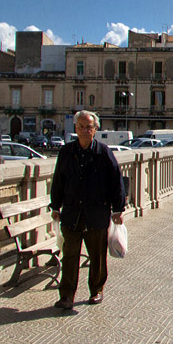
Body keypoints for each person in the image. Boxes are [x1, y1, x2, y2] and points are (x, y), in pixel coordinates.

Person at [50, 110, 125, 310]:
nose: (85, 130)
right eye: (81, 127)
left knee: (97, 256)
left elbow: (116, 181)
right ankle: (66, 296)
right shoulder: (66, 152)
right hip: (72, 213)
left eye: (89, 127)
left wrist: (118, 209)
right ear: (75, 129)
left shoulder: (103, 152)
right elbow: (58, 181)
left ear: (95, 129)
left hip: (96, 213)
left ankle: (96, 290)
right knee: (70, 256)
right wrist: (55, 206)